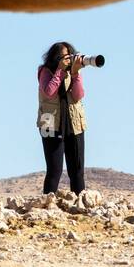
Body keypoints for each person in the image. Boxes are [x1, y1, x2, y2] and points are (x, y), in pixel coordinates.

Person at [37, 41, 86, 194]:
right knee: (54, 170)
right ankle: (47, 204)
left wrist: (75, 74)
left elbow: (78, 95)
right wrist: (59, 71)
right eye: (63, 57)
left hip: (74, 123)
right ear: (55, 58)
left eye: (69, 56)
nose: (67, 60)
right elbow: (49, 92)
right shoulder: (44, 71)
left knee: (77, 170)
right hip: (48, 122)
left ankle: (80, 204)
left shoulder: (74, 72)